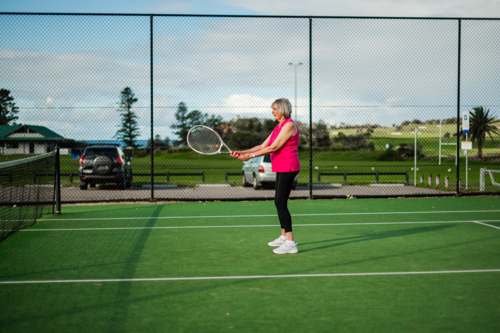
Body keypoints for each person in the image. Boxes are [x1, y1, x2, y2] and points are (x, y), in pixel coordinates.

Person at [231, 98, 300, 254]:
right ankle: (284, 237)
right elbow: (263, 146)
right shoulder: (278, 127)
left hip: (289, 167)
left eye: (274, 109)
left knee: (280, 202)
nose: (272, 111)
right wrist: (244, 153)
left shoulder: (289, 125)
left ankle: (290, 242)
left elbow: (274, 147)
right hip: (281, 167)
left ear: (282, 109)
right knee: (278, 202)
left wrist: (251, 156)